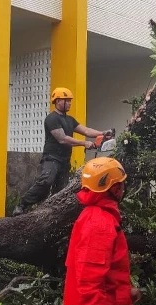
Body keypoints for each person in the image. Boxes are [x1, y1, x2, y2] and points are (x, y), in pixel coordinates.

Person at [62, 157, 141, 305]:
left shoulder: (99, 217)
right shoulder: (99, 223)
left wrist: (127, 290)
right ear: (114, 188)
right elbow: (89, 274)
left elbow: (107, 268)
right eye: (121, 184)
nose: (124, 187)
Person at [12, 87, 113, 216]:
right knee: (46, 180)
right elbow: (62, 139)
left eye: (70, 101)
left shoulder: (70, 120)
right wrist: (84, 143)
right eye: (67, 101)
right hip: (52, 158)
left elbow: (86, 131)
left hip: (65, 161)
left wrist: (103, 133)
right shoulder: (52, 119)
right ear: (58, 101)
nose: (70, 103)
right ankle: (23, 204)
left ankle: (50, 215)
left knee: (61, 192)